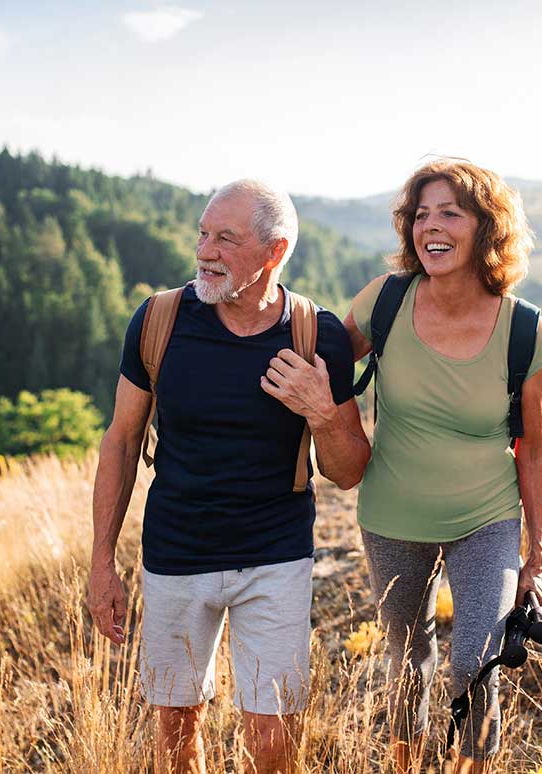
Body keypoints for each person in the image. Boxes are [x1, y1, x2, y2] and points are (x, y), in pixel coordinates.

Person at [87, 179, 370, 774]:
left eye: (225, 238)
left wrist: (321, 411)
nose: (204, 251)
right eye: (202, 233)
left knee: (272, 744)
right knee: (175, 736)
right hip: (174, 556)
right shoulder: (159, 319)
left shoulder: (316, 336)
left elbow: (348, 472)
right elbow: (120, 440)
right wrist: (101, 562)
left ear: (275, 251)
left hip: (275, 557)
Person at [294, 159, 542, 773]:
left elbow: (535, 447)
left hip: (485, 518)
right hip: (391, 515)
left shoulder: (524, 330)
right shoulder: (385, 301)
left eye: (450, 213)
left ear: (486, 229)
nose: (429, 227)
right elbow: (321, 363)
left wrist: (535, 557)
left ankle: (471, 766)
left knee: (474, 661)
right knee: (407, 661)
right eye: (420, 214)